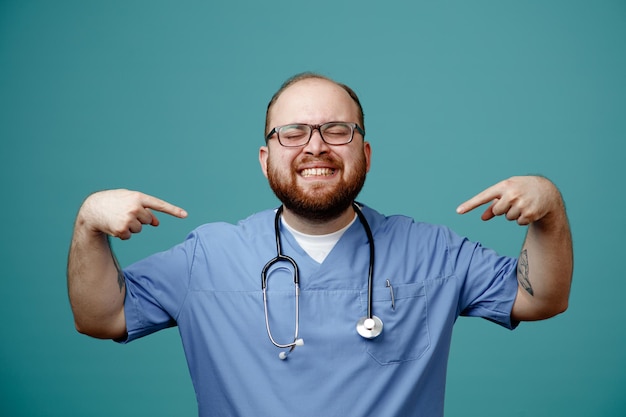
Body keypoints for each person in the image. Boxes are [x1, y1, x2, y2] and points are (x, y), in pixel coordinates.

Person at [67, 72, 573, 416]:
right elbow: (100, 317)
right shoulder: (207, 257)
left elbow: (540, 298)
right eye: (293, 133)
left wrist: (549, 210)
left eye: (336, 130)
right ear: (265, 158)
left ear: (366, 154)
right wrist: (89, 222)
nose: (315, 146)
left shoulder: (432, 251)